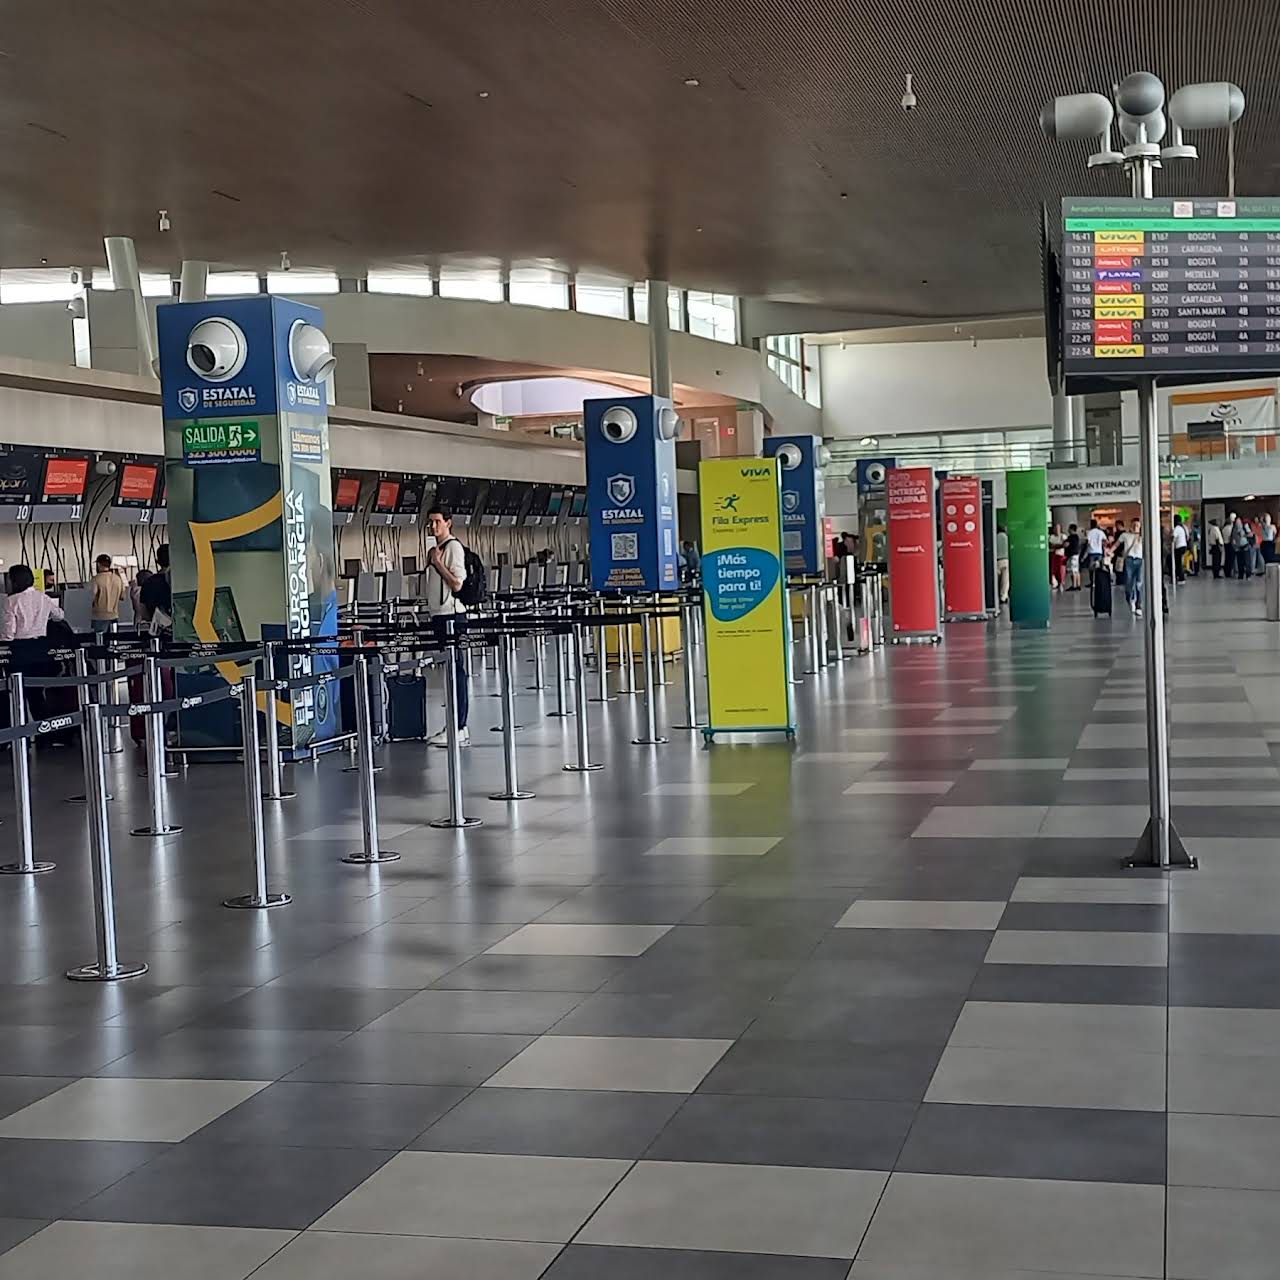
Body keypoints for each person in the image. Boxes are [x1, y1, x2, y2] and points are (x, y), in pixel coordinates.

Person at [424, 505, 469, 747]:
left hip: (452, 616)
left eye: (438, 521)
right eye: (431, 522)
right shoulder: (436, 549)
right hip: (438, 616)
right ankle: (453, 724)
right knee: (448, 672)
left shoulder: (453, 548)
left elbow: (457, 584)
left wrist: (438, 564)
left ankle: (459, 726)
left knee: (456, 672)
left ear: (448, 523)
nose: (433, 526)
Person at [0, 564, 63, 641]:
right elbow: (59, 616)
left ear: (15, 581)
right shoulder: (44, 597)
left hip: (20, 645)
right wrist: (46, 615)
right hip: (41, 644)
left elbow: (9, 631)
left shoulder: (12, 601)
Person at [139, 543, 173, 635]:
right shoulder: (179, 582)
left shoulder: (148, 583)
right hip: (177, 632)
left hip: (156, 630)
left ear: (157, 561)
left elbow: (143, 613)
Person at [90, 554, 125, 634]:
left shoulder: (96, 579)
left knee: (100, 642)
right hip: (114, 616)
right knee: (113, 642)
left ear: (98, 564)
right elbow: (122, 597)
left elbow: (91, 597)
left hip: (99, 617)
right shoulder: (118, 579)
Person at [1117, 519, 1144, 616]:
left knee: (1139, 584)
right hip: (1129, 560)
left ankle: (1138, 605)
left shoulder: (1142, 536)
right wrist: (1110, 552)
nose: (1136, 527)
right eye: (1134, 525)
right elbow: (1117, 544)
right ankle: (1130, 598)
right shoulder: (1125, 535)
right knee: (1129, 582)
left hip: (1140, 560)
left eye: (1138, 525)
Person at [1230, 515, 1253, 580]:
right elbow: (1232, 538)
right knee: (1240, 562)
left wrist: (1244, 535)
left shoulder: (1245, 526)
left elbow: (1251, 534)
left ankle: (1248, 575)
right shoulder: (1234, 529)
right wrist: (1234, 546)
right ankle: (1241, 574)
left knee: (1247, 561)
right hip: (1238, 547)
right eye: (1237, 522)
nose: (1238, 523)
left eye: (1239, 521)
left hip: (1245, 546)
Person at [1063, 523, 1081, 591]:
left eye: (1069, 528)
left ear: (1071, 529)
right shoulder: (1077, 537)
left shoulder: (1071, 537)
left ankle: (1074, 585)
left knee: (1073, 571)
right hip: (1076, 555)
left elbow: (1065, 545)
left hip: (1072, 555)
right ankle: (1078, 585)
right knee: (1077, 570)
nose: (1068, 530)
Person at [995, 524, 1010, 605]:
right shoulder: (1006, 537)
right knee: (1005, 581)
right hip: (1005, 560)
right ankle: (1003, 597)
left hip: (996, 561)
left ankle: (996, 597)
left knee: (997, 581)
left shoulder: (994, 537)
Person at [1048, 523, 1065, 591]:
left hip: (1061, 555)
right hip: (1053, 555)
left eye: (1058, 528)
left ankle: (1061, 582)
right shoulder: (1051, 537)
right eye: (1056, 528)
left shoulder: (1063, 536)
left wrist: (1057, 546)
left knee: (1061, 570)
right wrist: (1059, 545)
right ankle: (1054, 583)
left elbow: (1064, 545)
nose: (1057, 530)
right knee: (1053, 570)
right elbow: (1051, 545)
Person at [1171, 515, 1188, 583]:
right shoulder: (1183, 527)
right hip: (1183, 546)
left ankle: (1181, 578)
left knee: (1178, 563)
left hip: (1179, 547)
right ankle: (1180, 576)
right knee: (1179, 562)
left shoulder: (1177, 528)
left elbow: (1173, 538)